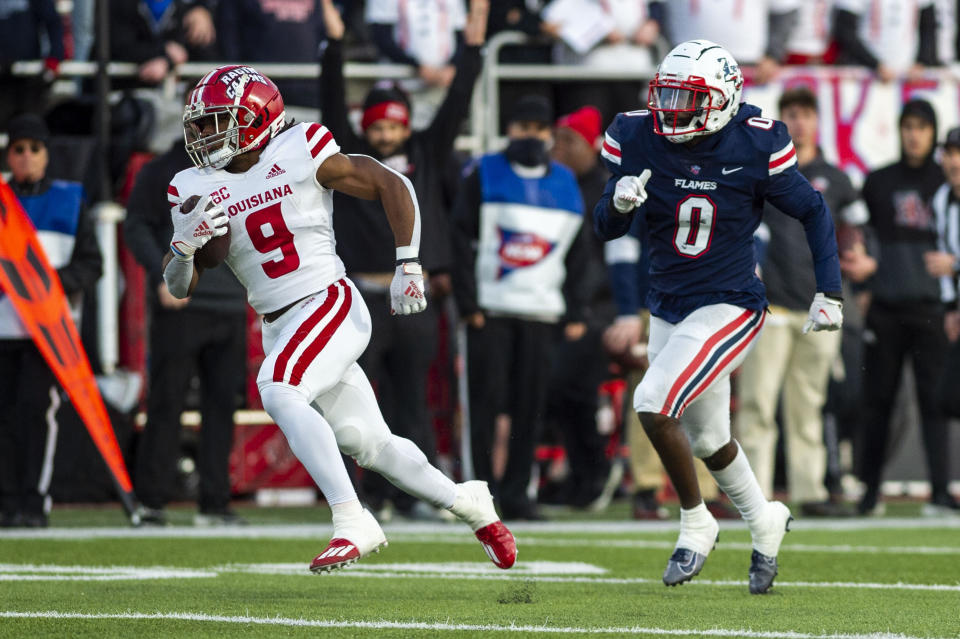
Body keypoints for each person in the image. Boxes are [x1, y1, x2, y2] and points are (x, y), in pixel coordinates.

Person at [161, 64, 516, 571]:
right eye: (199, 124)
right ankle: (470, 504)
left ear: (256, 118)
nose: (203, 134)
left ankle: (352, 519)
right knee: (370, 443)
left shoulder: (301, 148)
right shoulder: (191, 184)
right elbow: (181, 286)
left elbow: (391, 183)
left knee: (280, 389)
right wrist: (182, 250)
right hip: (279, 322)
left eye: (217, 121)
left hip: (327, 301)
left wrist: (408, 262)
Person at [594, 40, 843, 594]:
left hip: (731, 303)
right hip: (668, 304)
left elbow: (812, 208)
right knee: (708, 437)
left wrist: (830, 290)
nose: (671, 110)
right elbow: (603, 229)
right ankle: (764, 520)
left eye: (687, 98)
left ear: (723, 98)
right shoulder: (636, 136)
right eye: (668, 95)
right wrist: (618, 204)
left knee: (652, 403)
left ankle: (695, 521)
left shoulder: (756, 143)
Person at [319, 0, 486, 521]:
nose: (385, 134)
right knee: (360, 402)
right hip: (360, 300)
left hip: (413, 299)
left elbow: (460, 93)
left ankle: (416, 495)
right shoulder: (350, 161)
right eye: (378, 126)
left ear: (406, 125)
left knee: (415, 395)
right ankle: (363, 498)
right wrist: (335, 44)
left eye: (393, 127)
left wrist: (475, 38)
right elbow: (329, 103)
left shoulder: (430, 152)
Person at [735, 87, 871, 517]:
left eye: (806, 114)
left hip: (821, 302)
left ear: (817, 121)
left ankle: (809, 490)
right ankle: (750, 495)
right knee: (758, 402)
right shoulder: (765, 170)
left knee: (808, 403)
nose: (800, 122)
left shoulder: (838, 176)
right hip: (771, 303)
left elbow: (859, 232)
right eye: (791, 114)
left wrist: (865, 258)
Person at [451, 94, 588, 521]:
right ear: (509, 130)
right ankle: (478, 494)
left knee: (531, 407)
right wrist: (468, 301)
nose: (529, 136)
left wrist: (576, 311)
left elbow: (580, 253)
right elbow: (459, 238)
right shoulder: (483, 172)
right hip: (489, 310)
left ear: (549, 134)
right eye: (521, 127)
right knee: (484, 407)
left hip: (542, 311)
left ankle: (517, 493)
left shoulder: (566, 182)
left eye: (537, 129)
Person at [124, 135, 248, 527]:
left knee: (223, 405)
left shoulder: (239, 166)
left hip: (230, 304)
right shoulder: (161, 170)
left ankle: (214, 501)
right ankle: (152, 500)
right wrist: (162, 275)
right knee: (166, 402)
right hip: (182, 302)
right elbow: (137, 227)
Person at [0, 113, 102, 527]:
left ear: (46, 155)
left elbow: (92, 263)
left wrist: (50, 286)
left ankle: (33, 500)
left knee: (38, 413)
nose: (26, 157)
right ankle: (6, 501)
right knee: (4, 415)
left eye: (34, 149)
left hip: (49, 332)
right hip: (3, 328)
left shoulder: (70, 200)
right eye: (19, 149)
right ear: (9, 154)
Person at [858, 100, 959, 516]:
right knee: (877, 401)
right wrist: (863, 274)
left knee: (935, 401)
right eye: (908, 126)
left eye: (922, 127)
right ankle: (868, 492)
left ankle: (939, 490)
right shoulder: (879, 182)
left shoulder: (946, 183)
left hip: (934, 308)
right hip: (887, 306)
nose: (914, 134)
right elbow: (860, 236)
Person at [546, 106, 618, 509]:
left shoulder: (606, 189)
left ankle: (595, 473)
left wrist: (585, 309)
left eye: (568, 140)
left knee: (575, 390)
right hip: (565, 304)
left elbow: (601, 260)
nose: (558, 148)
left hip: (596, 308)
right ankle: (580, 472)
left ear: (591, 144)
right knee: (561, 395)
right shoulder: (560, 183)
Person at [659, 0, 800, 85]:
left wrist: (773, 55)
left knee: (744, 126)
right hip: (688, 63)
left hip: (748, 67)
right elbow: (655, 8)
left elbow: (784, 12)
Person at [833, 0, 938, 82]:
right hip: (866, 74)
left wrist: (921, 62)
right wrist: (876, 65)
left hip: (909, 76)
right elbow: (845, 30)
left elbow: (928, 25)